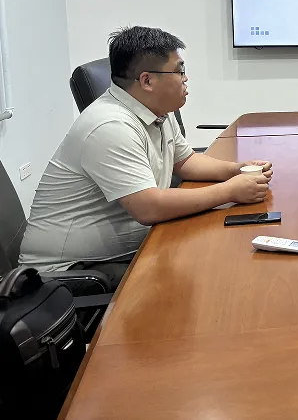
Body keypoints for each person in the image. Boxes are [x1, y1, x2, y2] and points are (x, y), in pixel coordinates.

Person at [19, 26, 274, 289]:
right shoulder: (110, 126)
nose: (185, 78)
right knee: (207, 273)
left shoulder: (155, 110)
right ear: (147, 81)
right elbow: (149, 207)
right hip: (70, 272)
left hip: (128, 247)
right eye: (179, 71)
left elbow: (185, 161)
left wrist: (236, 170)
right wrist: (230, 191)